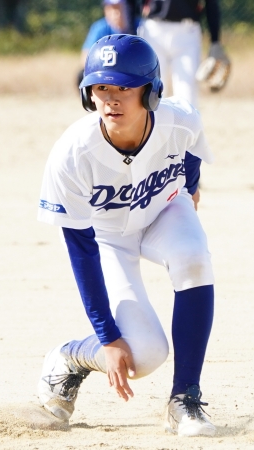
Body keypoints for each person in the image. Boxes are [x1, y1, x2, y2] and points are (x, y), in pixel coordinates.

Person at [37, 34, 217, 437]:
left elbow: (190, 153)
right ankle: (72, 357)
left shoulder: (180, 119)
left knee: (194, 256)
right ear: (87, 94)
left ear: (151, 93)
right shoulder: (72, 154)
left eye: (124, 87)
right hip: (107, 240)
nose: (111, 99)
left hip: (164, 211)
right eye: (101, 87)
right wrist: (108, 339)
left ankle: (184, 399)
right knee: (144, 356)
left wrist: (190, 186)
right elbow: (81, 251)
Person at [138, 0, 230, 106]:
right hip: (152, 30)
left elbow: (211, 2)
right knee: (152, 95)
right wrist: (130, 34)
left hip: (187, 31)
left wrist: (215, 40)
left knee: (187, 97)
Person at [77, 0, 141, 86]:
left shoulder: (141, 26)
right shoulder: (99, 28)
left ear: (128, 8)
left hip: (132, 74)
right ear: (105, 11)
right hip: (105, 73)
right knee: (82, 75)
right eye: (112, 8)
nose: (116, 13)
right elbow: (85, 58)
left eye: (120, 8)